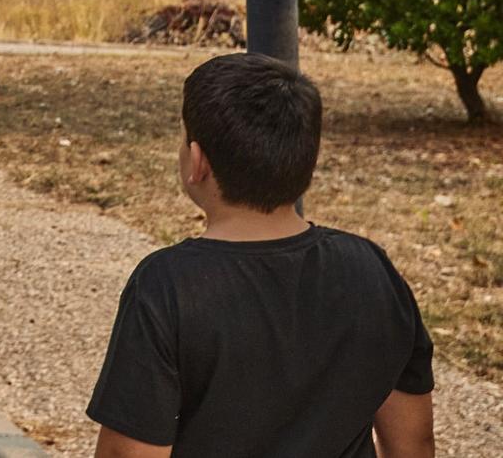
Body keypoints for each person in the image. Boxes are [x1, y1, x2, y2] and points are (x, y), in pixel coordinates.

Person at [88, 53, 434, 458]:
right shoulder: (372, 270)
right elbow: (413, 444)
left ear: (197, 162)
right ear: (306, 159)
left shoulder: (166, 287)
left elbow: (127, 454)